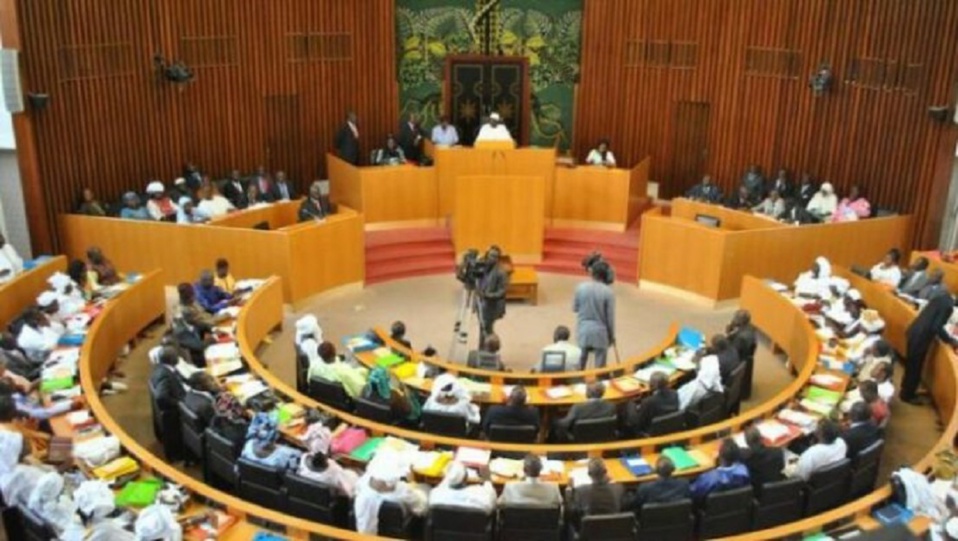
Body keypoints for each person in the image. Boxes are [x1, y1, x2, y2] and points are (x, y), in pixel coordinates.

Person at [902, 292, 958, 404]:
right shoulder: (948, 306)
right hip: (921, 338)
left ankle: (905, 388)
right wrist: (949, 340)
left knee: (911, 363)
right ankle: (908, 395)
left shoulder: (941, 296)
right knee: (915, 367)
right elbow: (936, 326)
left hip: (914, 331)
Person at [354, 454, 428, 534]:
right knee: (426, 489)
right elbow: (420, 507)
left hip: (367, 535)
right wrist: (413, 483)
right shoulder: (402, 491)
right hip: (400, 527)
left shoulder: (362, 485)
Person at [574, 260, 616, 369]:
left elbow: (575, 308)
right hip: (600, 334)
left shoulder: (580, 287)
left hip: (583, 331)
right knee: (600, 370)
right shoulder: (608, 292)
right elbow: (609, 318)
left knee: (580, 365)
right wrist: (611, 337)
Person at [428, 461, 496, 512]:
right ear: (465, 478)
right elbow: (492, 499)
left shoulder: (435, 496)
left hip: (443, 530)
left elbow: (442, 486)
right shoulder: (481, 496)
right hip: (472, 530)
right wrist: (487, 479)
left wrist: (449, 475)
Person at [498, 454, 562, 508]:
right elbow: (559, 503)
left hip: (516, 522)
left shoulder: (510, 487)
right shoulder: (553, 488)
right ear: (541, 469)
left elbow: (500, 504)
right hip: (545, 522)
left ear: (524, 469)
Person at [626, 371, 678, 436]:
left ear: (652, 385)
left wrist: (631, 402)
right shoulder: (674, 394)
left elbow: (638, 422)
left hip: (651, 433)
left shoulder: (648, 402)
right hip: (670, 429)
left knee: (628, 408)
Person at [476, 246, 508, 344]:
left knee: (487, 328)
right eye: (490, 255)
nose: (491, 258)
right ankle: (484, 346)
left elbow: (502, 291)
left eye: (495, 256)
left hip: (491, 305)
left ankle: (490, 347)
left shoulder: (501, 272)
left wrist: (488, 295)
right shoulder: (482, 267)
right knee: (482, 327)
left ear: (498, 258)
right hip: (480, 302)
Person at [149, 347, 186, 411]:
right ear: (171, 359)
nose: (178, 358)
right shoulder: (164, 375)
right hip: (176, 410)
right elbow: (161, 397)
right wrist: (179, 403)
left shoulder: (162, 368)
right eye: (176, 356)